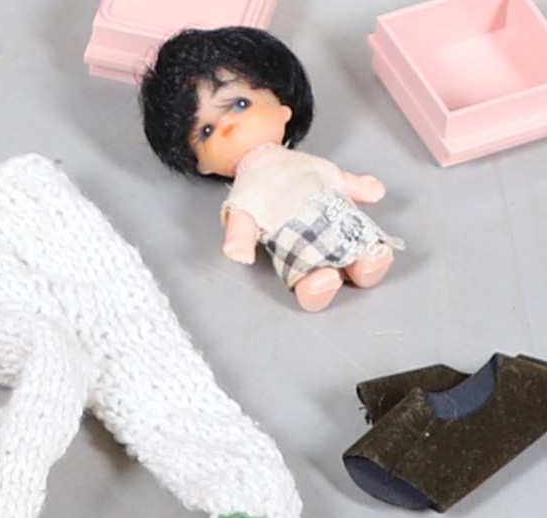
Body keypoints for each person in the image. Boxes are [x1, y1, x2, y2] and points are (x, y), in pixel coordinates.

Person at [140, 24, 392, 312]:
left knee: (350, 230)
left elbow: (324, 172)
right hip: (291, 231)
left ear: (283, 108)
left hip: (328, 207)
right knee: (302, 256)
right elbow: (243, 209)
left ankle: (365, 262)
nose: (228, 126)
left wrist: (355, 185)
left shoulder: (298, 160)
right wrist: (240, 239)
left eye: (240, 104)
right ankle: (312, 280)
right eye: (207, 130)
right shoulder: (247, 184)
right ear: (201, 163)